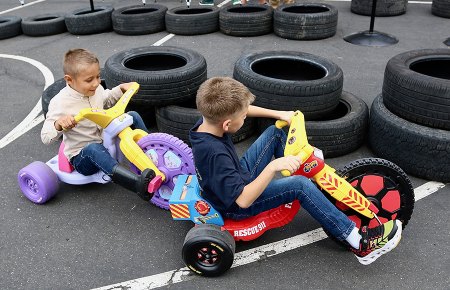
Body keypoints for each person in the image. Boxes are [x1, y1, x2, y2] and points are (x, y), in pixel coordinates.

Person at [189, 77, 402, 265]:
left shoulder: (207, 122)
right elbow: (242, 201)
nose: (245, 118)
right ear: (226, 124)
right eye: (243, 117)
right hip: (235, 203)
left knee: (275, 132)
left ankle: (311, 177)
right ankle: (359, 242)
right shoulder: (215, 155)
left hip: (236, 175)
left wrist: (278, 114)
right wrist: (273, 167)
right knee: (299, 185)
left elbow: (240, 110)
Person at [41, 48, 153, 201]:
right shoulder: (60, 103)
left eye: (98, 77)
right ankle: (137, 184)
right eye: (89, 80)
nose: (96, 83)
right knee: (93, 149)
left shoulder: (96, 89)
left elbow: (106, 98)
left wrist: (120, 89)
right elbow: (45, 136)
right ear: (69, 80)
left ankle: (153, 153)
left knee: (132, 116)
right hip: (82, 157)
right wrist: (58, 124)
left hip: (105, 141)